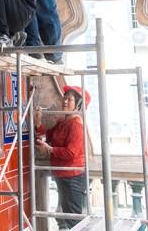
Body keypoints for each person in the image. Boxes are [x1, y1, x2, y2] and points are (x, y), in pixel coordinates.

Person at [35, 85, 91, 229]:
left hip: (72, 177)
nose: (65, 101)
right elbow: (48, 135)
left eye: (69, 99)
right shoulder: (63, 121)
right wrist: (38, 122)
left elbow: (71, 152)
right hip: (63, 175)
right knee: (68, 216)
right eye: (64, 98)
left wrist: (49, 149)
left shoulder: (76, 125)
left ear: (78, 105)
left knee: (74, 219)